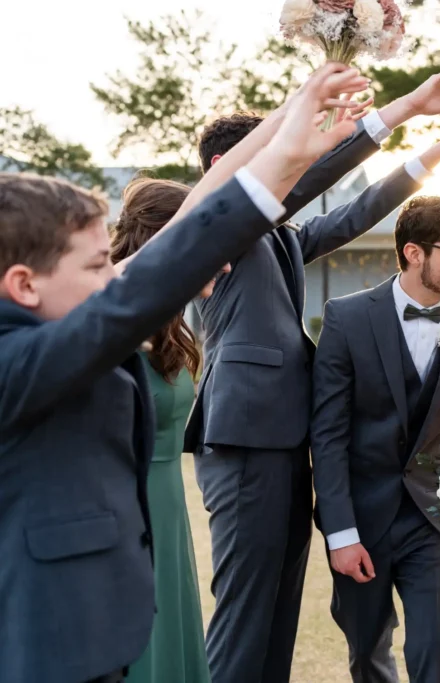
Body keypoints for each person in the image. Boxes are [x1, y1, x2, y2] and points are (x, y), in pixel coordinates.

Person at [0, 62, 365, 683]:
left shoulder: (47, 337)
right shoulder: (18, 359)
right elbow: (159, 267)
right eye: (94, 267)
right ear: (23, 284)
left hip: (99, 634)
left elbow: (201, 203)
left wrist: (292, 116)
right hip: (46, 645)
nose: (112, 273)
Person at [182, 71, 440, 683]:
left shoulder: (278, 239)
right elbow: (318, 178)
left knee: (277, 615)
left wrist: (433, 153)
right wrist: (401, 109)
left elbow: (356, 214)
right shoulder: (219, 226)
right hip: (245, 442)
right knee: (245, 617)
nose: (294, 169)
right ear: (231, 167)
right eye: (282, 157)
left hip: (284, 446)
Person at [311, 196, 440, 683]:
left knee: (434, 646)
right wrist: (341, 534)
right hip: (361, 519)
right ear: (415, 253)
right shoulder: (346, 317)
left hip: (432, 517)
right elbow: (327, 434)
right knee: (367, 646)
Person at [109, 178, 217, 683]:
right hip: (124, 506)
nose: (223, 261)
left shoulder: (169, 321)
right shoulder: (113, 316)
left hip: (168, 503)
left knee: (171, 626)